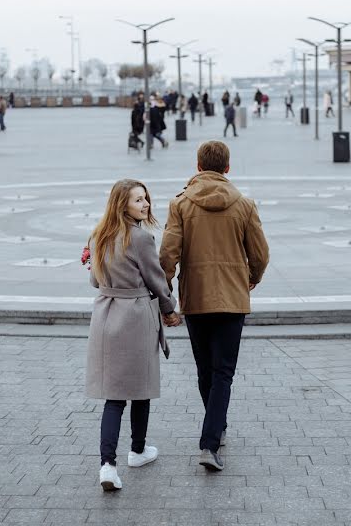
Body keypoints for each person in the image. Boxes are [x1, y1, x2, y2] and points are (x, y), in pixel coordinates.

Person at [159, 141, 270, 472]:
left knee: (206, 369)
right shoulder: (244, 205)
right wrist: (251, 277)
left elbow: (168, 254)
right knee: (223, 372)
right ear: (227, 168)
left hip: (195, 298)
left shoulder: (180, 204)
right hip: (233, 300)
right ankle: (212, 437)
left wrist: (166, 296)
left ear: (197, 166)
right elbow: (261, 254)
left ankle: (213, 431)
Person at [85, 179, 180, 492]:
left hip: (105, 316)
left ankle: (107, 465)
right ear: (122, 204)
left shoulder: (98, 235)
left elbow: (94, 282)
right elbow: (156, 280)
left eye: (146, 199)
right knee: (141, 386)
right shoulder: (140, 238)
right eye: (139, 200)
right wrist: (170, 309)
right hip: (136, 316)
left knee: (114, 396)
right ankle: (137, 450)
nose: (146, 205)